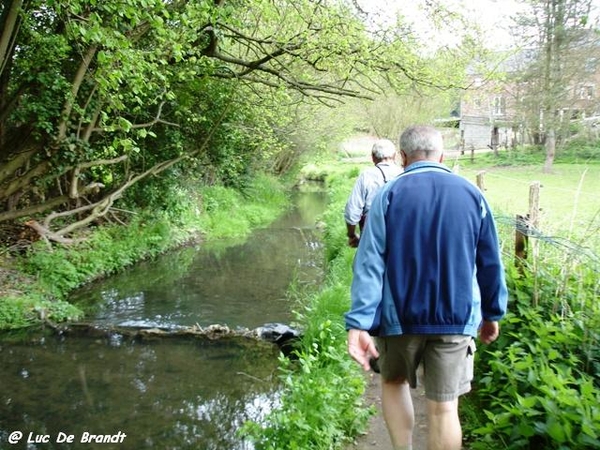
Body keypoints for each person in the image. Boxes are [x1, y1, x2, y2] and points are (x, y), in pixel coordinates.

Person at [345, 125, 508, 450]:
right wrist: (492, 313)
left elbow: (370, 263)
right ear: (442, 155)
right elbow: (490, 261)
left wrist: (358, 323)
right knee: (445, 406)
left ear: (403, 157)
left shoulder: (388, 195)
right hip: (456, 318)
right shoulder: (472, 195)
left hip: (398, 318)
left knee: (393, 383)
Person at [344, 138, 403, 248]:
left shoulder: (366, 176)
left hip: (371, 239)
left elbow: (352, 211)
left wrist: (351, 235)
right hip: (400, 237)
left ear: (373, 157)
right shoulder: (404, 174)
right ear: (395, 156)